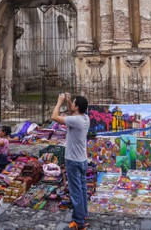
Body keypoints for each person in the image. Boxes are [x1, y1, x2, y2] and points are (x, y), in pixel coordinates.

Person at [52, 92, 90, 230]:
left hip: (73, 161)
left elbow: (54, 117)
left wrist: (59, 101)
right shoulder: (85, 118)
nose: (72, 105)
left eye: (73, 103)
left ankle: (79, 222)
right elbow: (73, 115)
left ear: (77, 107)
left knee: (76, 192)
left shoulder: (76, 120)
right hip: (83, 160)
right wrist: (69, 102)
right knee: (83, 189)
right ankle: (83, 215)